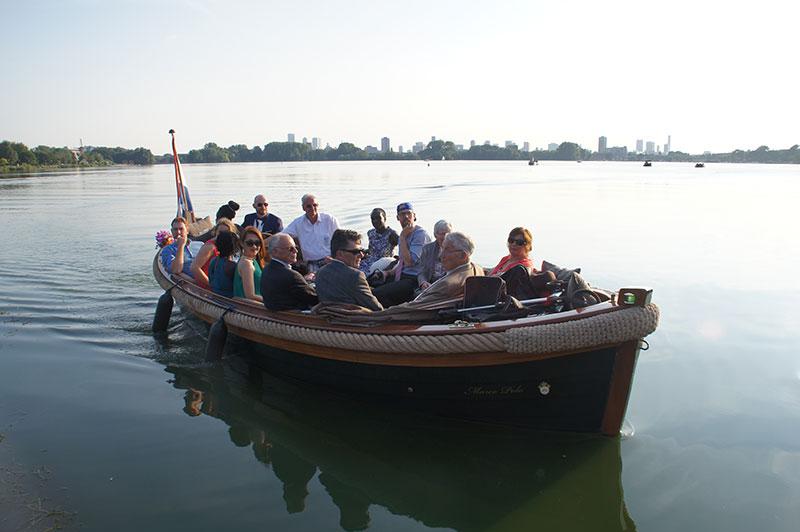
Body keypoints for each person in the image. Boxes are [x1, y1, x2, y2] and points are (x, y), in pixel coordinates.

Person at [372, 202, 431, 307]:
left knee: (377, 294)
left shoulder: (420, 234)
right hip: (402, 274)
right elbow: (402, 262)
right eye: (402, 214)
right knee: (370, 284)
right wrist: (388, 273)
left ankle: (390, 314)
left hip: (414, 279)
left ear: (414, 216)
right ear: (398, 218)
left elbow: (409, 262)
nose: (406, 217)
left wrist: (402, 237)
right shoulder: (404, 233)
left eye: (409, 213)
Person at [408, 231, 483, 307]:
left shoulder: (446, 284)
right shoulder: (477, 269)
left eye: (447, 250)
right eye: (442, 249)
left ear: (463, 256)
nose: (441, 255)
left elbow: (412, 309)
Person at [316, 229, 383, 311]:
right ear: (340, 254)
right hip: (357, 321)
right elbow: (377, 308)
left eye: (362, 251)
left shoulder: (320, 273)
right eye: (356, 252)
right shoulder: (355, 276)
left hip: (330, 318)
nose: (361, 255)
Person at [488, 227, 554, 299]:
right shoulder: (505, 259)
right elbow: (491, 274)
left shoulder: (524, 266)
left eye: (519, 242)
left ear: (527, 246)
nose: (514, 244)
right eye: (511, 240)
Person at [261, 233, 318, 311]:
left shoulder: (266, 270)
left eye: (296, 247)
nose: (296, 251)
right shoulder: (292, 276)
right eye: (291, 249)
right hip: (296, 319)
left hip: (274, 317)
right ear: (275, 251)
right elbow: (314, 299)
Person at [284, 194, 339, 273]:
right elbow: (282, 236)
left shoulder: (330, 219)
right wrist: (262, 241)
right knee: (314, 280)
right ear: (303, 208)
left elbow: (340, 240)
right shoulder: (298, 223)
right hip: (311, 263)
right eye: (309, 206)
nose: (312, 208)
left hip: (330, 260)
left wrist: (335, 259)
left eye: (315, 205)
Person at [191, 218, 238, 289]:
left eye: (226, 232)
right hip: (209, 286)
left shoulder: (227, 247)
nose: (222, 235)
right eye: (220, 232)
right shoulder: (210, 247)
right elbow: (194, 268)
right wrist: (211, 284)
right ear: (215, 232)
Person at [359, 208, 399, 274]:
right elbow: (372, 249)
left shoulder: (392, 234)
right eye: (373, 219)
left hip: (384, 262)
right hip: (370, 260)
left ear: (385, 218)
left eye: (378, 218)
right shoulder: (370, 233)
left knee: (365, 273)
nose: (375, 221)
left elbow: (403, 248)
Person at [417, 219, 452, 290]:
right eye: (442, 234)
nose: (445, 237)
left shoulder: (456, 249)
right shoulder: (427, 248)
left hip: (447, 285)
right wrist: (423, 282)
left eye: (448, 233)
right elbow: (421, 272)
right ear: (435, 235)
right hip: (430, 284)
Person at [234, 227, 266, 302]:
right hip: (250, 307)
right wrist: (272, 301)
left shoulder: (252, 260)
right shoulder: (246, 264)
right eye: (250, 243)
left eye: (257, 243)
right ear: (242, 243)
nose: (254, 246)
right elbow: (250, 296)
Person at [208, 230, 239, 297]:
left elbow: (211, 281)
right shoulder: (233, 266)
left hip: (214, 296)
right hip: (228, 301)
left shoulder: (213, 261)